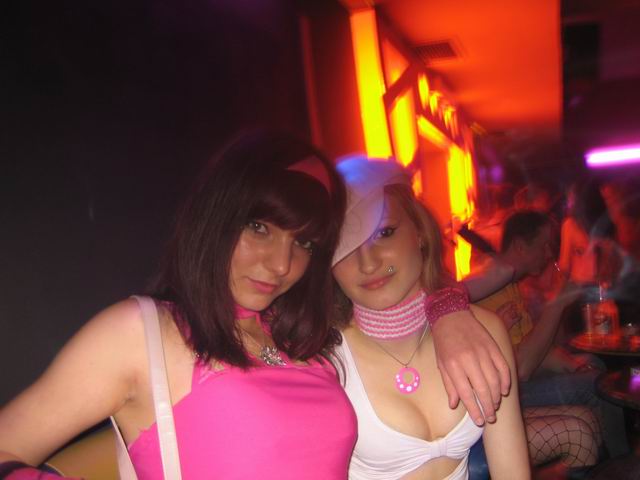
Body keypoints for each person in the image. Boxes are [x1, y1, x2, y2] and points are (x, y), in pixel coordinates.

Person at [0, 131, 511, 479]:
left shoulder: (304, 340)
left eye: (304, 242)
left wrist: (449, 308)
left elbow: (389, 309)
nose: (280, 264)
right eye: (260, 228)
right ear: (218, 215)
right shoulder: (143, 332)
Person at [331, 157, 530, 480]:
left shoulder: (484, 329)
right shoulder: (323, 357)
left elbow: (512, 473)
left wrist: (447, 304)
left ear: (419, 233)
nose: (368, 264)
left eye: (384, 233)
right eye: (345, 246)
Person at [465, 210, 628, 464]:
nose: (550, 253)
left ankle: (603, 459)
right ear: (520, 246)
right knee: (598, 385)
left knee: (593, 364)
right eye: (544, 245)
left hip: (520, 381)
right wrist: (558, 303)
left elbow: (540, 348)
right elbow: (521, 370)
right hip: (505, 397)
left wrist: (567, 359)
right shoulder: (489, 283)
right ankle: (620, 463)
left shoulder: (513, 283)